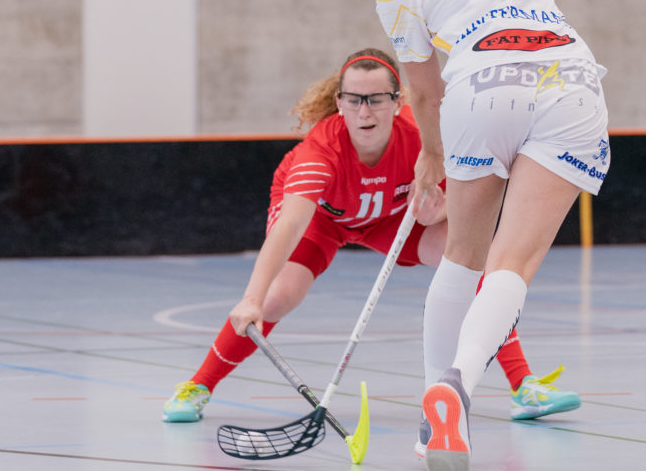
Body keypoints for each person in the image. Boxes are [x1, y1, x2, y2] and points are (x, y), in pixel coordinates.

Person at [340, 0, 609, 471]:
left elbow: (424, 88)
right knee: (513, 261)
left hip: (484, 79)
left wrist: (430, 154)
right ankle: (459, 384)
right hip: (566, 69)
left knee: (464, 251)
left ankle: (438, 411)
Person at [161, 48, 582, 439]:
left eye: (378, 99)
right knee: (275, 300)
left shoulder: (423, 139)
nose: (366, 111)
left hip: (391, 217)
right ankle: (197, 386)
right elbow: (289, 226)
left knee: (474, 269)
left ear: (398, 101)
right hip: (322, 220)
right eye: (355, 100)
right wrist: (251, 298)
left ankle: (524, 387)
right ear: (340, 102)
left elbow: (469, 197)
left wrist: (441, 208)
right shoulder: (318, 153)